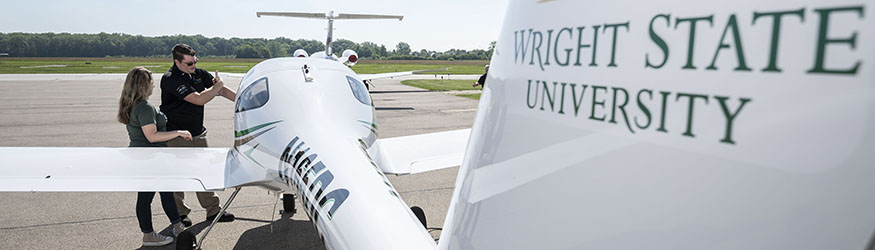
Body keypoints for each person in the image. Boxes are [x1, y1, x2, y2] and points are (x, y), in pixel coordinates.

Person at [160, 44, 237, 227]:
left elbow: (222, 90)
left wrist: (246, 100)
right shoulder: (170, 79)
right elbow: (198, 99)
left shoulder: (199, 73)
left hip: (197, 132)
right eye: (189, 64)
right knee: (179, 175)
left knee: (204, 171)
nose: (193, 66)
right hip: (175, 134)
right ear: (176, 61)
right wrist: (217, 87)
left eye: (195, 62)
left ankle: (213, 211)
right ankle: (179, 214)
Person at [117, 66, 192, 247]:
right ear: (143, 85)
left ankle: (177, 225)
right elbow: (152, 136)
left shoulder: (134, 105)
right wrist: (179, 132)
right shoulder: (144, 108)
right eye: (151, 82)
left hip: (146, 157)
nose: (154, 85)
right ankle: (149, 235)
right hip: (149, 158)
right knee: (146, 198)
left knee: (166, 191)